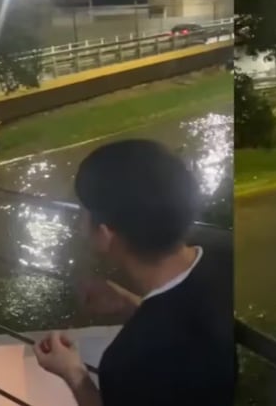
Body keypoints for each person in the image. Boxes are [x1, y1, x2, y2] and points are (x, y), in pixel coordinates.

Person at [33, 139, 235, 406]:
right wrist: (133, 306)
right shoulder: (227, 259)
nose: (80, 224)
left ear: (105, 234)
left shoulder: (129, 361)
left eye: (83, 213)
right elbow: (196, 336)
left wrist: (74, 375)